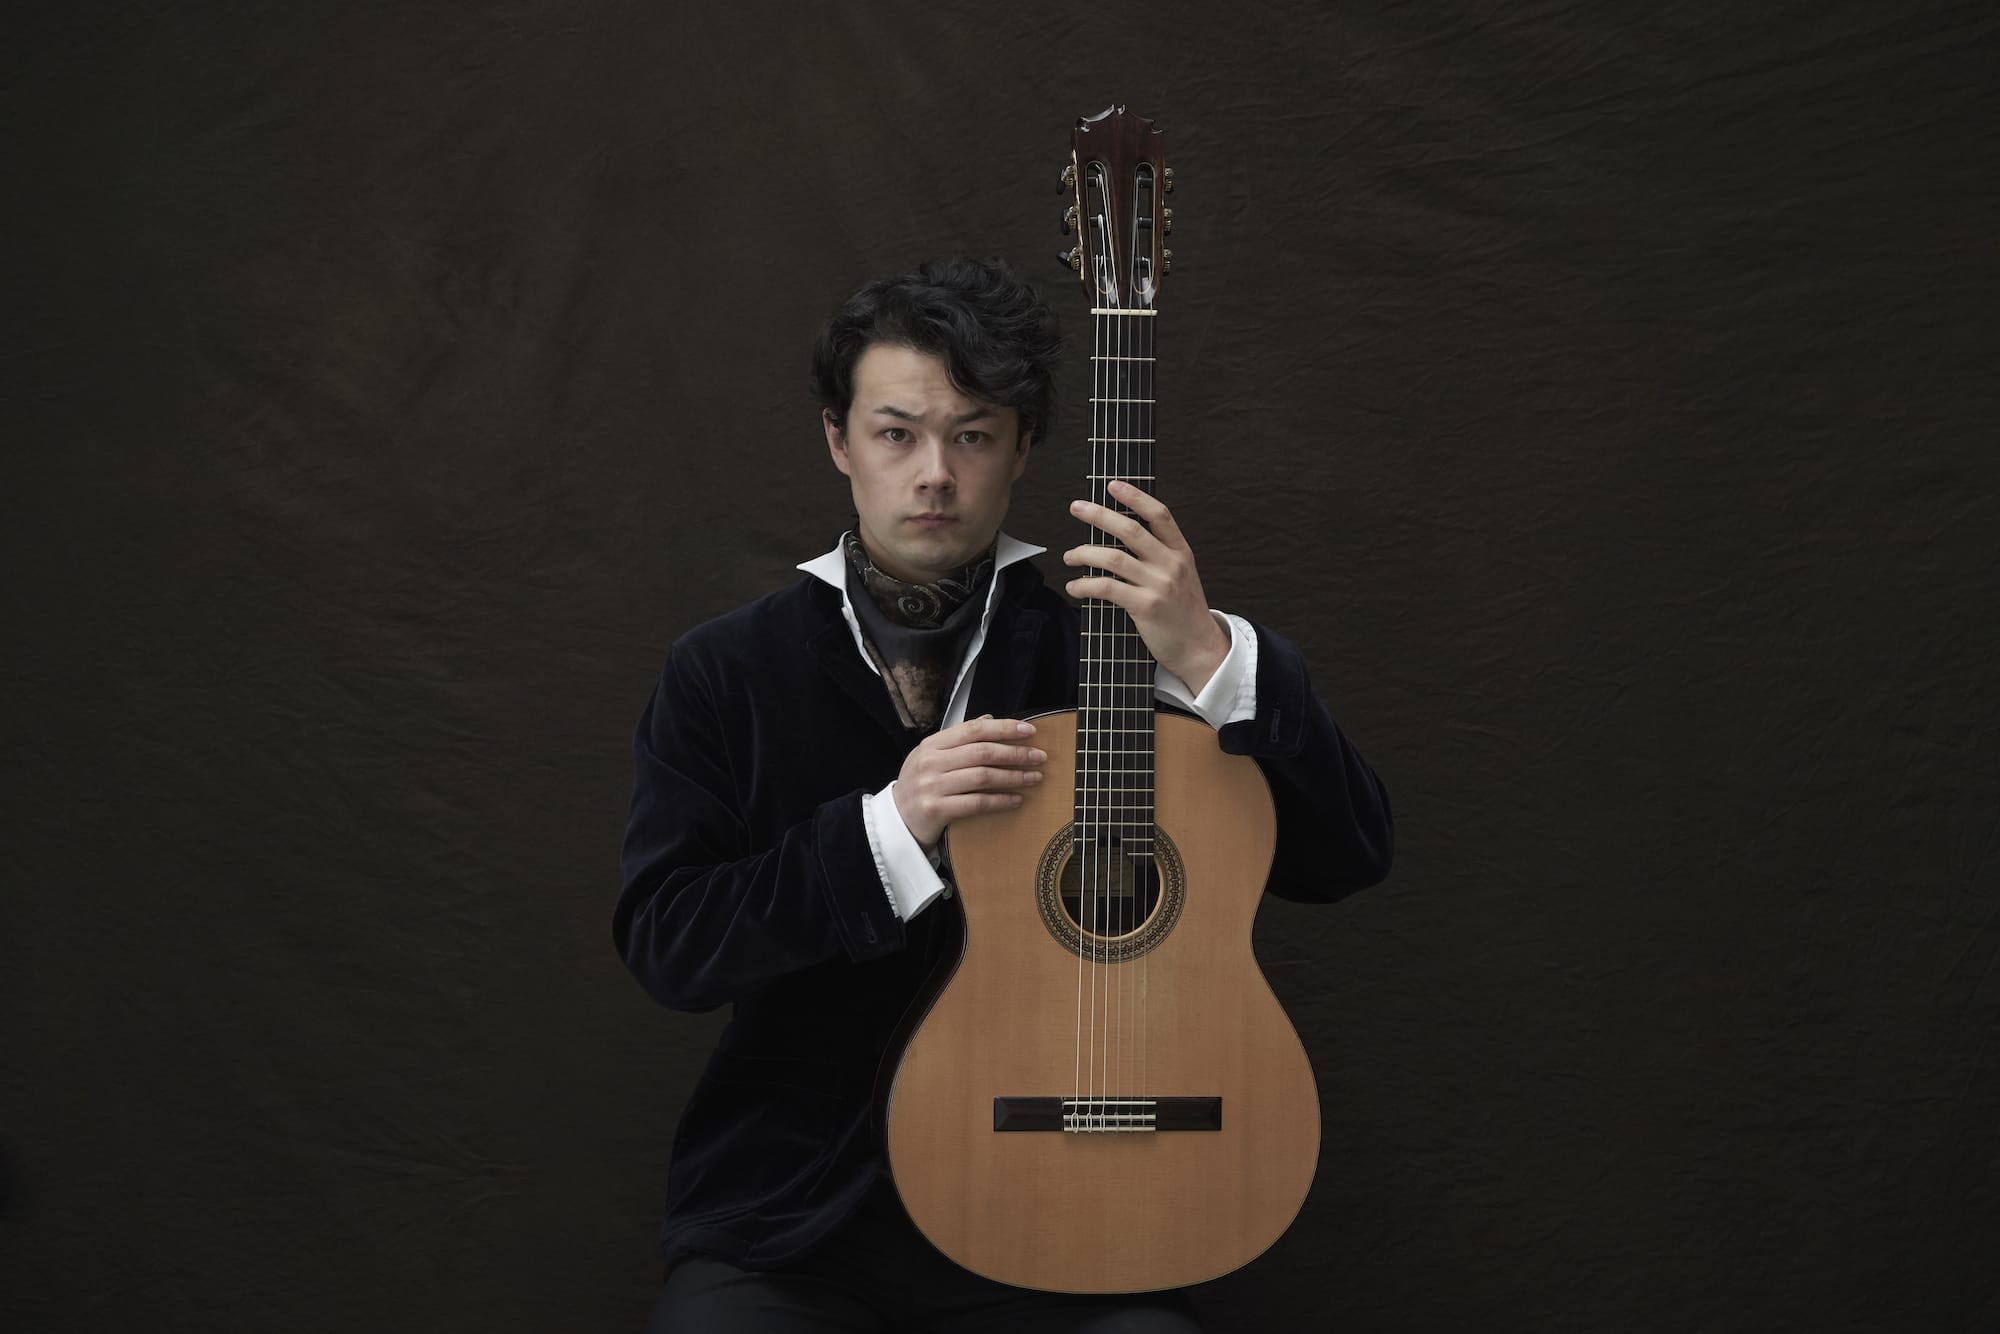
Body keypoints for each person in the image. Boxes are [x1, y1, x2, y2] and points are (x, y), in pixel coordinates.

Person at [616, 257, 1394, 1332]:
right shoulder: (723, 670)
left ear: (1022, 447)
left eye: (971, 434)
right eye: (896, 433)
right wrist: (890, 826)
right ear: (838, 441)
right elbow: (670, 943)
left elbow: (1345, 854)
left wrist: (1215, 656)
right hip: (796, 1221)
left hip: (1076, 1210)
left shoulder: (1119, 651)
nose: (933, 473)